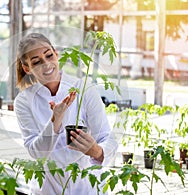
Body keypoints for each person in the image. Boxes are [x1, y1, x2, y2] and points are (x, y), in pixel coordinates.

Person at [14, 32, 118, 195]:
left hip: (87, 186)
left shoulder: (83, 87)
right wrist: (55, 121)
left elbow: (106, 135)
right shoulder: (24, 101)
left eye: (49, 56)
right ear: (27, 68)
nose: (47, 64)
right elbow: (35, 151)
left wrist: (97, 151)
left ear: (56, 54)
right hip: (49, 188)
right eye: (37, 62)